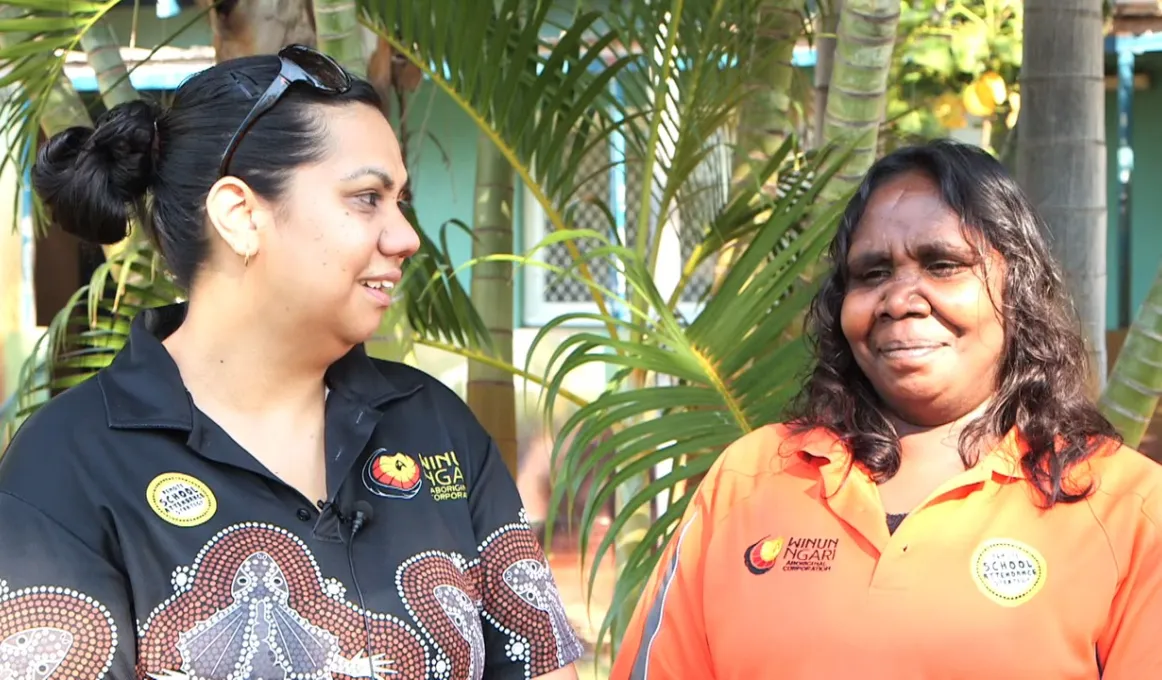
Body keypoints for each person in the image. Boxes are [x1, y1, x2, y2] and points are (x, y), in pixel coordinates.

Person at [0, 45, 583, 680]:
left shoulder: (436, 427)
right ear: (241, 216)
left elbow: (541, 664)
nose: (406, 236)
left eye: (400, 201)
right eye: (367, 198)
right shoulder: (69, 464)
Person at [610, 139, 1162, 679]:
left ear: (1019, 287)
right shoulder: (748, 479)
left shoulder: (1128, 509)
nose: (898, 299)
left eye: (943, 264)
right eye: (872, 273)